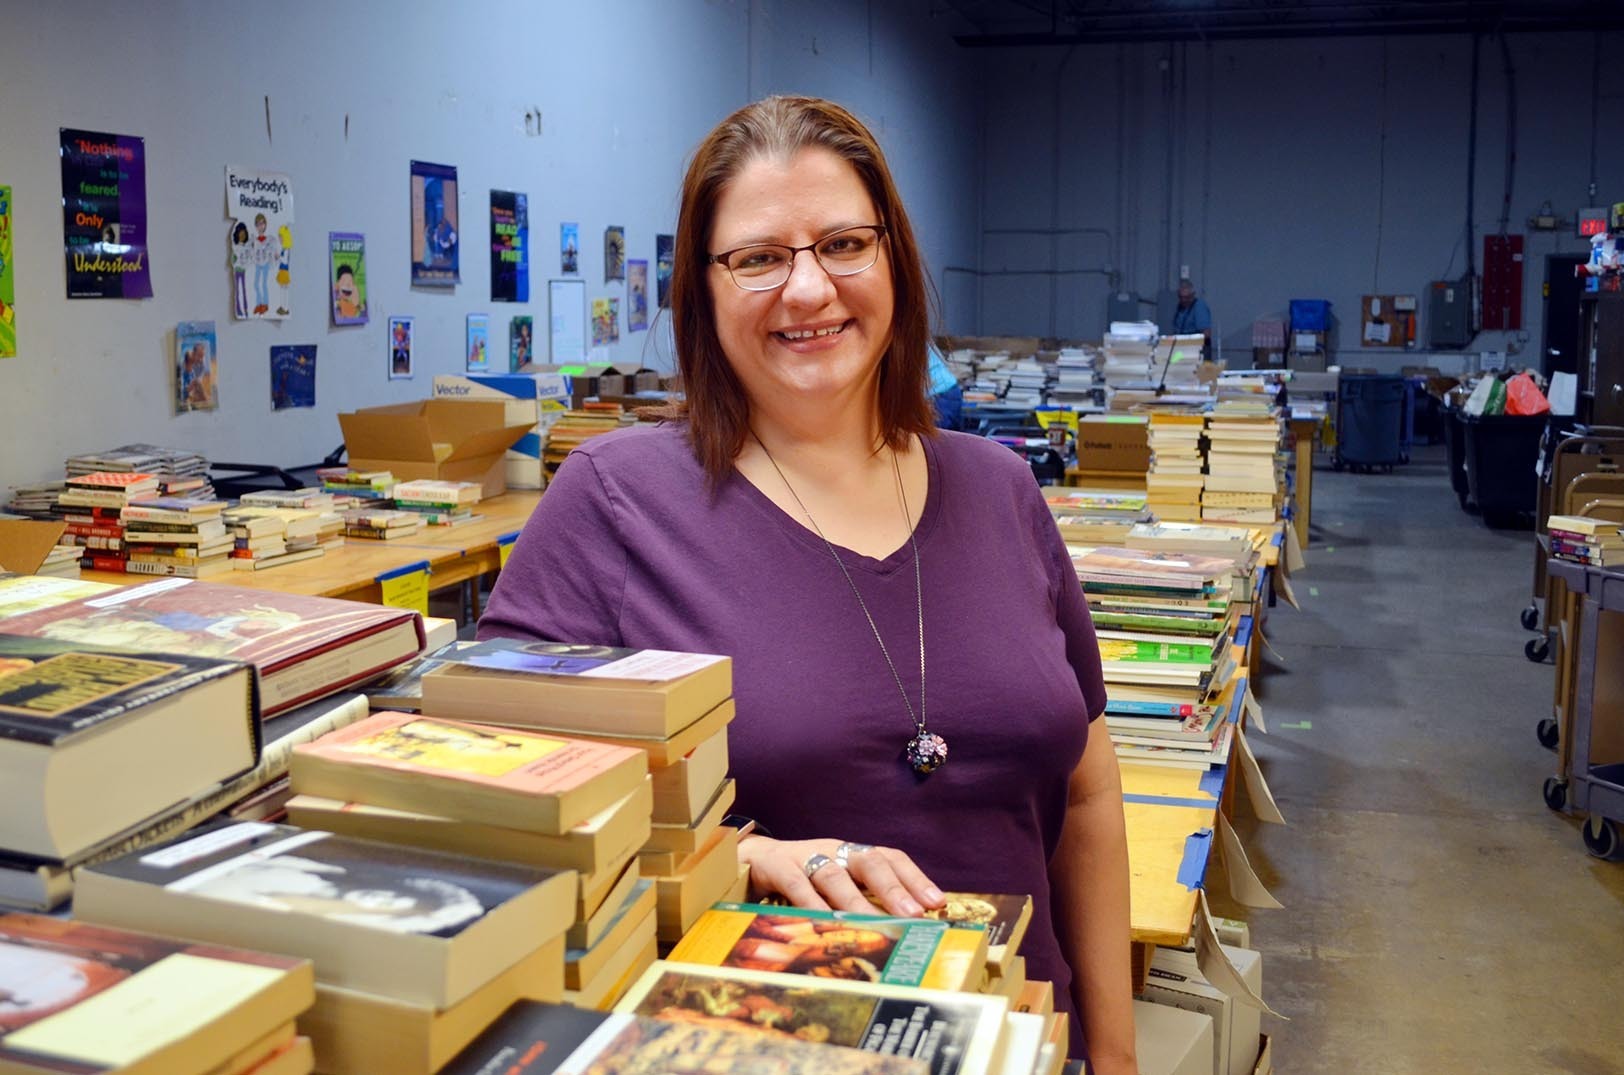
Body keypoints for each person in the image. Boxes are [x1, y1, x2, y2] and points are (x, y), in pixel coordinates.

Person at [478, 95, 1134, 1071]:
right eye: (757, 257)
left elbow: (1085, 803)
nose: (807, 289)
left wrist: (1114, 1057)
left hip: (1025, 1040)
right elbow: (486, 801)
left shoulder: (1000, 491)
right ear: (700, 289)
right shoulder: (614, 501)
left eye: (841, 244)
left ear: (893, 262)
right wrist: (737, 855)